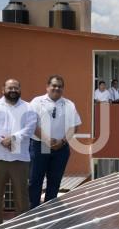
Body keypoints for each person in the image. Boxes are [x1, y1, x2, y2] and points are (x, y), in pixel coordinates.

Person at [0, 78, 37, 228]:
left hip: (20, 159)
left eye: (16, 88)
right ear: (3, 90)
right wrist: (2, 141)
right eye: (10, 88)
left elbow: (30, 128)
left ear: (20, 90)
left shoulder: (28, 108)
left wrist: (12, 139)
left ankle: (22, 228)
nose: (13, 91)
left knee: (21, 196)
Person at [29, 75, 82, 209]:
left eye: (59, 86)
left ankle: (49, 214)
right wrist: (46, 139)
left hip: (61, 148)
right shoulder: (36, 102)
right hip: (40, 146)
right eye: (54, 85)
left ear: (63, 89)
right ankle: (31, 215)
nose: (56, 88)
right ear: (47, 87)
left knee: (54, 183)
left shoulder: (69, 104)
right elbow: (31, 124)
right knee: (35, 181)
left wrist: (63, 141)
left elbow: (74, 126)